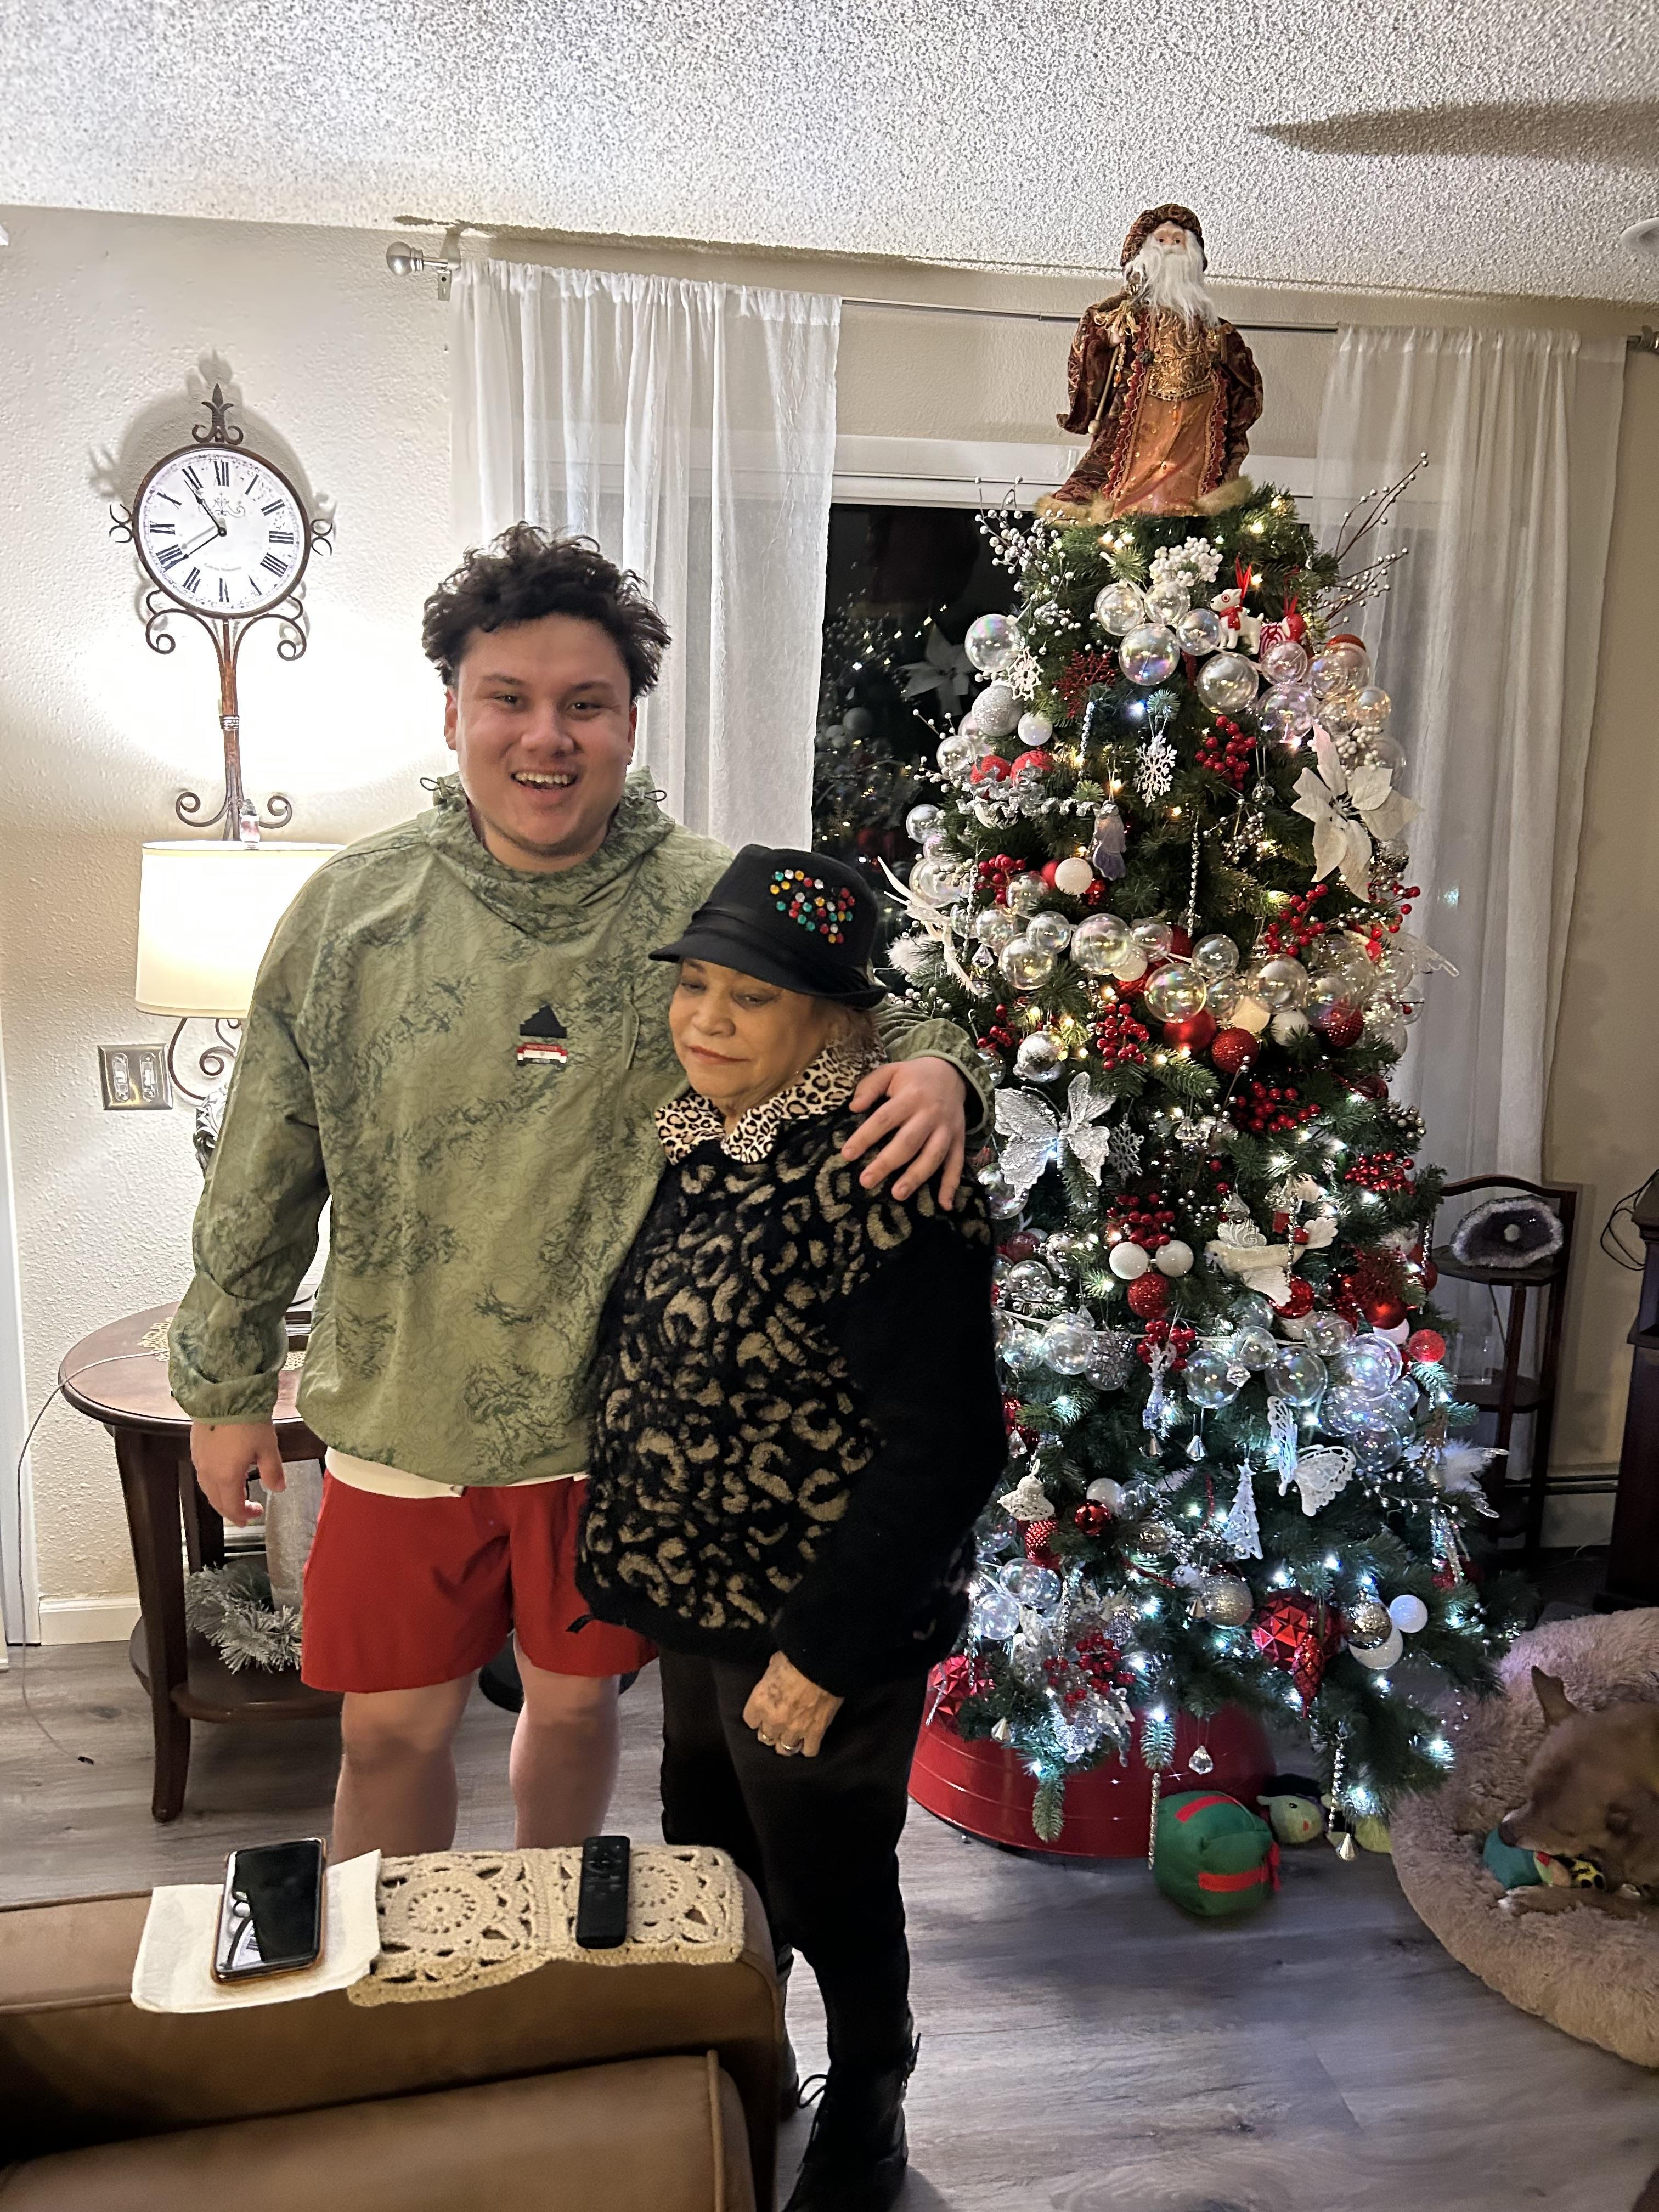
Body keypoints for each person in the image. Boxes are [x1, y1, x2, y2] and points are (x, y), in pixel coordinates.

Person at [170, 526, 989, 1863]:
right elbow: (265, 1161)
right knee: (387, 1735)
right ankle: (397, 1983)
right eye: (510, 699)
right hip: (399, 1406)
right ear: (454, 710)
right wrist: (220, 1385)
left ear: (626, 723)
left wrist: (946, 1067)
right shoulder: (347, 911)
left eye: (585, 705)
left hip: (618, 1431)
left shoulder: (710, 896)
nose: (545, 737)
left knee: (573, 1713)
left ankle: (548, 1973)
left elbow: (885, 1009)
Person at [578, 845, 1007, 2212]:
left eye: (746, 999)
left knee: (826, 1881)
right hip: (708, 1619)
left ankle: (870, 2085)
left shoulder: (882, 1172)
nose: (703, 1019)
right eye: (693, 986)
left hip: (822, 1625)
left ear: (833, 1021)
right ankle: (744, 2058)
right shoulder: (708, 1141)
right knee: (712, 1851)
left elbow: (949, 1448)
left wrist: (822, 1653)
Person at [1037, 202, 1262, 522]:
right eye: (1162, 241)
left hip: (1196, 427)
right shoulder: (1123, 314)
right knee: (1124, 480)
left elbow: (1245, 379)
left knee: (1194, 481)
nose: (1170, 249)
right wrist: (1110, 339)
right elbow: (1091, 343)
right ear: (1144, 251)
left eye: (1177, 242)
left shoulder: (1216, 329)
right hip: (1136, 417)